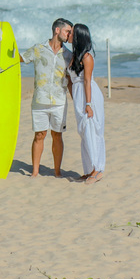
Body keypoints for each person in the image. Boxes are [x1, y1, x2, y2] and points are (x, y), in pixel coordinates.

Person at [21, 18, 73, 178]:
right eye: (67, 31)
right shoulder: (38, 49)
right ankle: (35, 172)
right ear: (57, 30)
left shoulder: (69, 55)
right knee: (39, 135)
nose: (69, 35)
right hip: (39, 100)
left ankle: (57, 171)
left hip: (59, 101)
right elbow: (18, 58)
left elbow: (72, 79)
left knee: (57, 135)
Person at [67, 23, 105, 184]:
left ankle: (98, 169)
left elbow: (87, 80)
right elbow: (71, 80)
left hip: (88, 95)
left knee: (92, 130)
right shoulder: (74, 56)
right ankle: (89, 169)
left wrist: (88, 103)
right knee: (83, 131)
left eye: (71, 33)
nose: (68, 35)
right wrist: (75, 98)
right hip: (78, 95)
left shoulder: (87, 57)